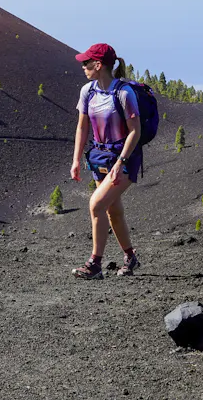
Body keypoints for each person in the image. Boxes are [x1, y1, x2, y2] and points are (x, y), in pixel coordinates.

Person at [70, 43, 142, 279]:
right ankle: (130, 257)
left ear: (98, 65)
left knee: (96, 204)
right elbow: (82, 127)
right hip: (100, 156)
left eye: (86, 62)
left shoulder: (124, 93)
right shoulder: (87, 91)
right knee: (113, 211)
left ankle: (95, 264)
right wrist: (76, 160)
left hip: (123, 157)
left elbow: (135, 131)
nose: (83, 66)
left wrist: (121, 162)